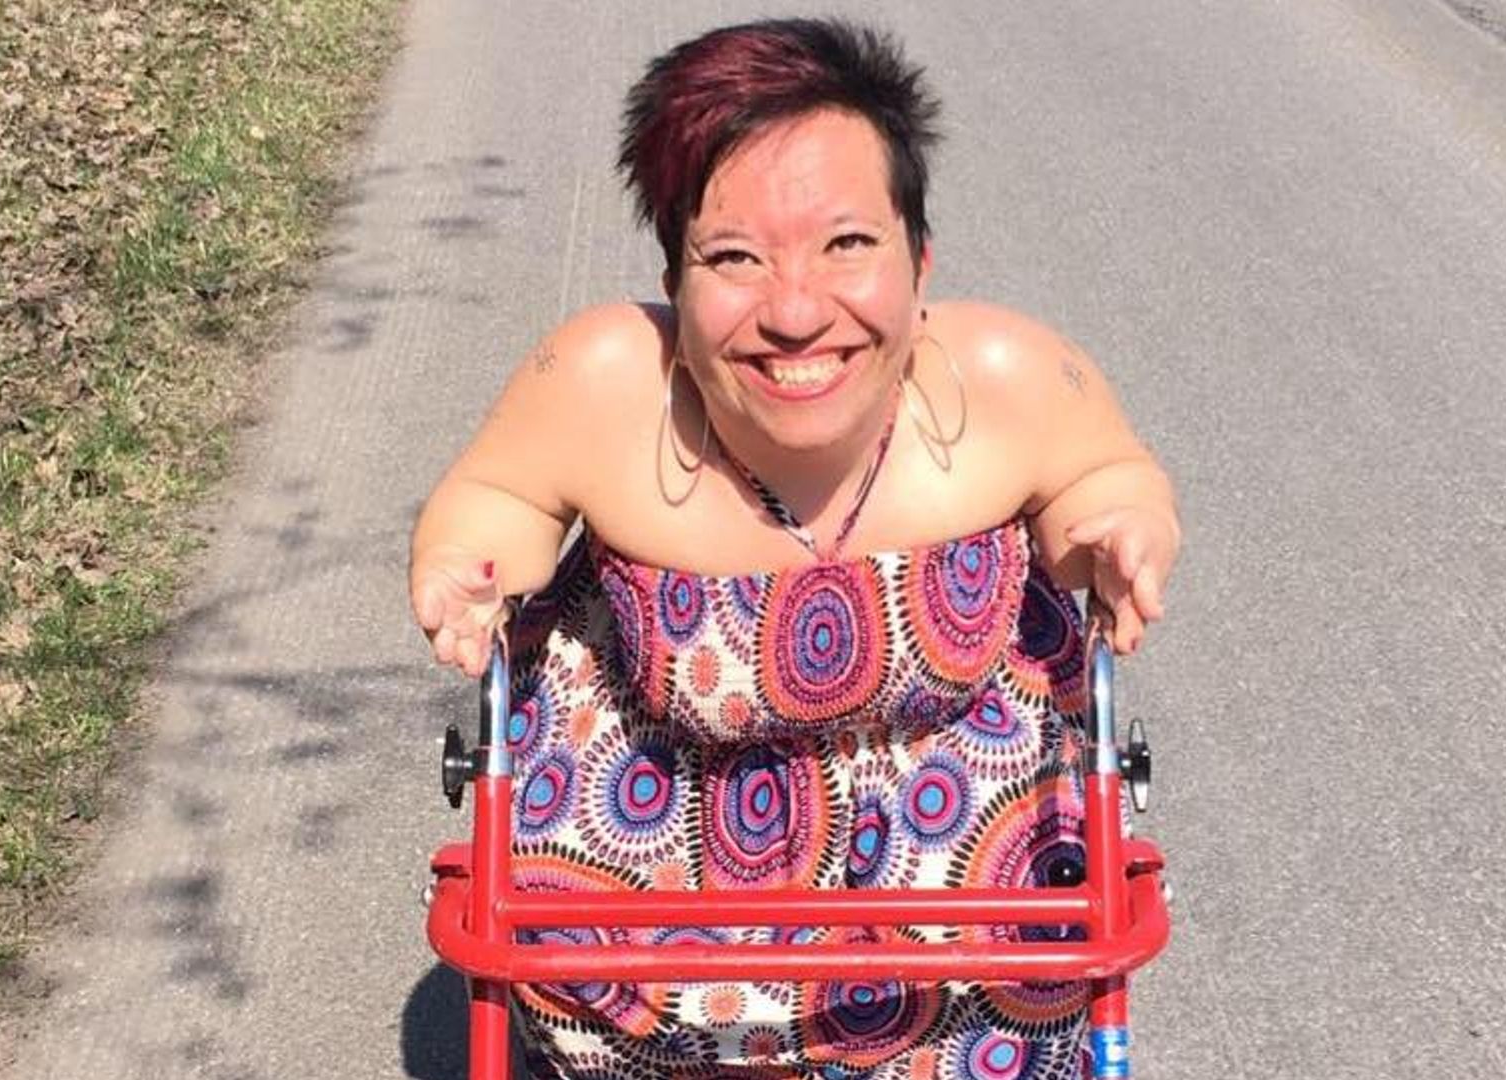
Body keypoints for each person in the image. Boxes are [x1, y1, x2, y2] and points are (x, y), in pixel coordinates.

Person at [409, 17, 1179, 1078]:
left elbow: (1105, 475)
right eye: (735, 258)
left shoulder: (1006, 377)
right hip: (644, 932)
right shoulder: (604, 382)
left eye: (847, 245)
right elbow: (498, 496)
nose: (797, 311)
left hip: (966, 943)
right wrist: (466, 566)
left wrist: (1124, 530)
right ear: (676, 282)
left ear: (920, 262)